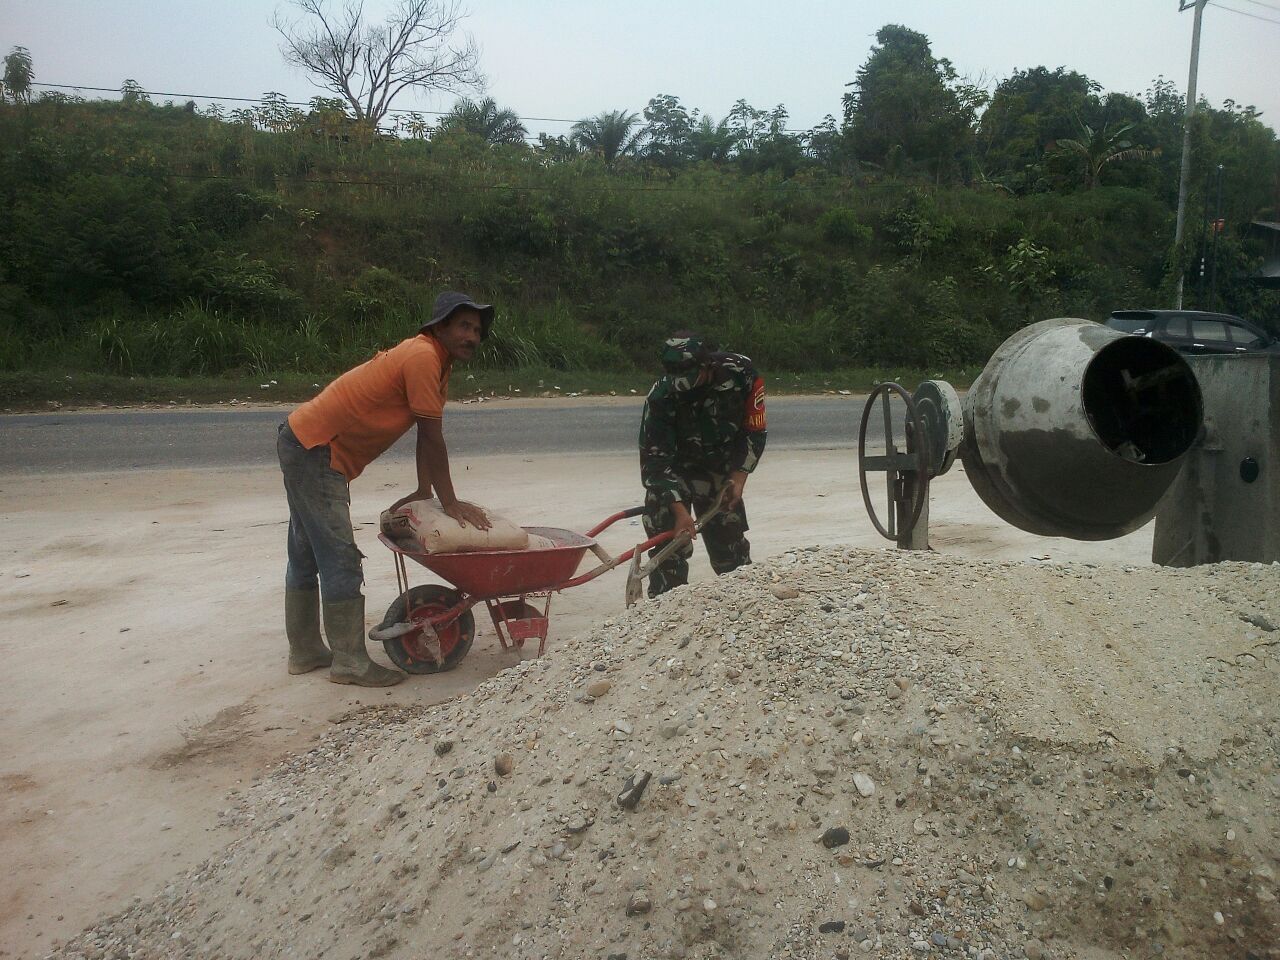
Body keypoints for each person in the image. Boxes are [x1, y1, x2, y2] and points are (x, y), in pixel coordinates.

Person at [276, 291, 494, 687]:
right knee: (339, 556)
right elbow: (433, 438)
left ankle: (306, 650)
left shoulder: (434, 361)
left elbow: (422, 430)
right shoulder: (424, 357)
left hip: (303, 440)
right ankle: (350, 663)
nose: (473, 337)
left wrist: (422, 487)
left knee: (306, 550)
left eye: (477, 330)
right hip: (317, 448)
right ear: (440, 326)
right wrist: (449, 502)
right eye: (464, 326)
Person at [639, 332, 767, 597]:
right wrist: (679, 512)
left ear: (707, 366)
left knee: (731, 554)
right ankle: (664, 609)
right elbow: (654, 464)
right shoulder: (660, 396)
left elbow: (754, 431)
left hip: (719, 470)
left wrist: (739, 476)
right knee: (669, 551)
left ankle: (744, 607)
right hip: (674, 472)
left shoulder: (741, 373)